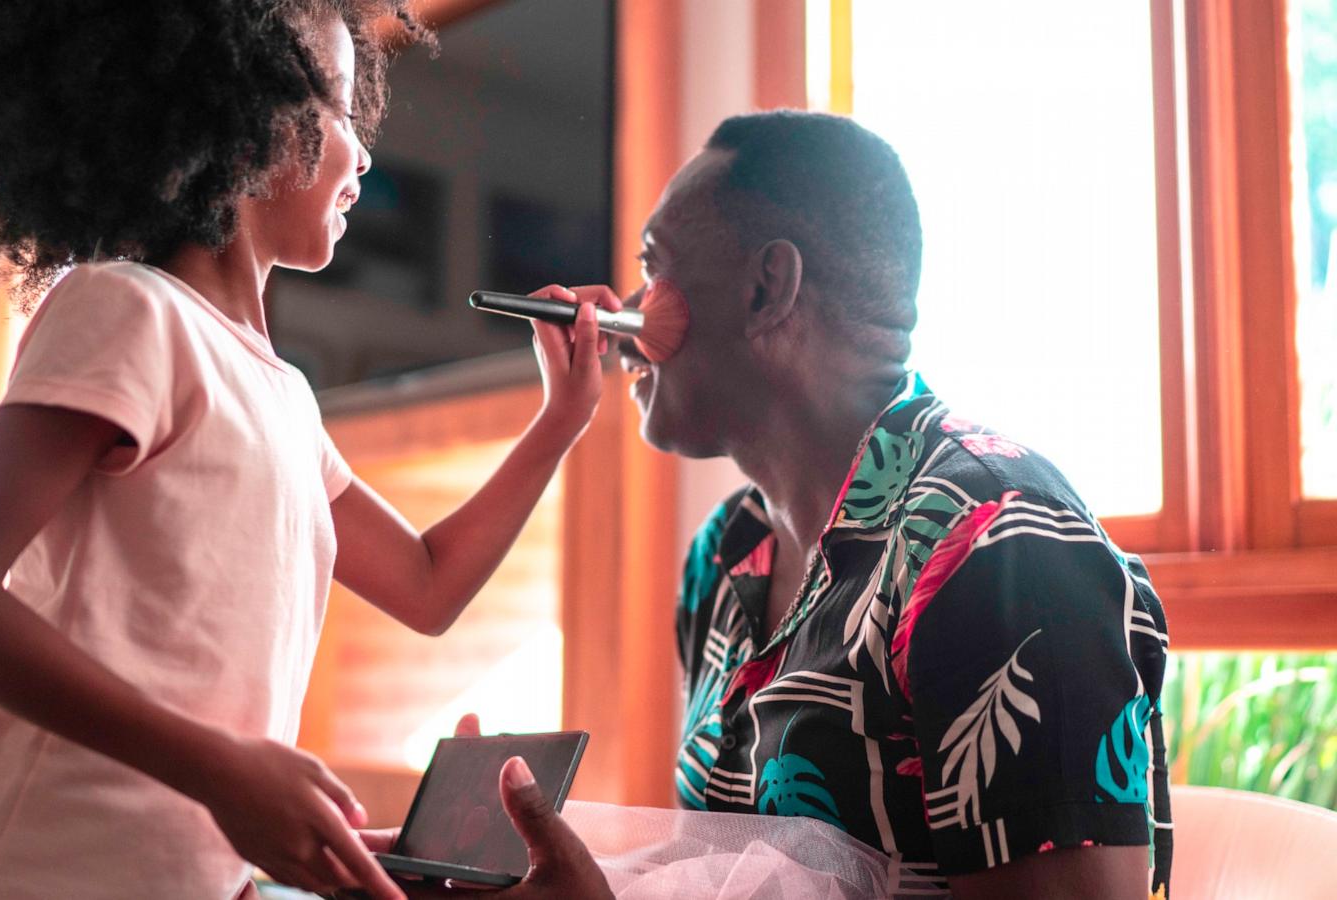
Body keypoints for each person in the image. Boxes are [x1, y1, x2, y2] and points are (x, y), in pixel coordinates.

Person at [0, 2, 612, 898]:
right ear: (254, 118)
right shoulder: (130, 311)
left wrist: (560, 420)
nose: (365, 155)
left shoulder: (286, 400)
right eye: (344, 113)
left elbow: (427, 586)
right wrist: (222, 773)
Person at [446, 110, 1173, 900]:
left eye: (653, 267)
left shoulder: (999, 545)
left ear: (767, 289)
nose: (624, 309)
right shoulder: (726, 556)